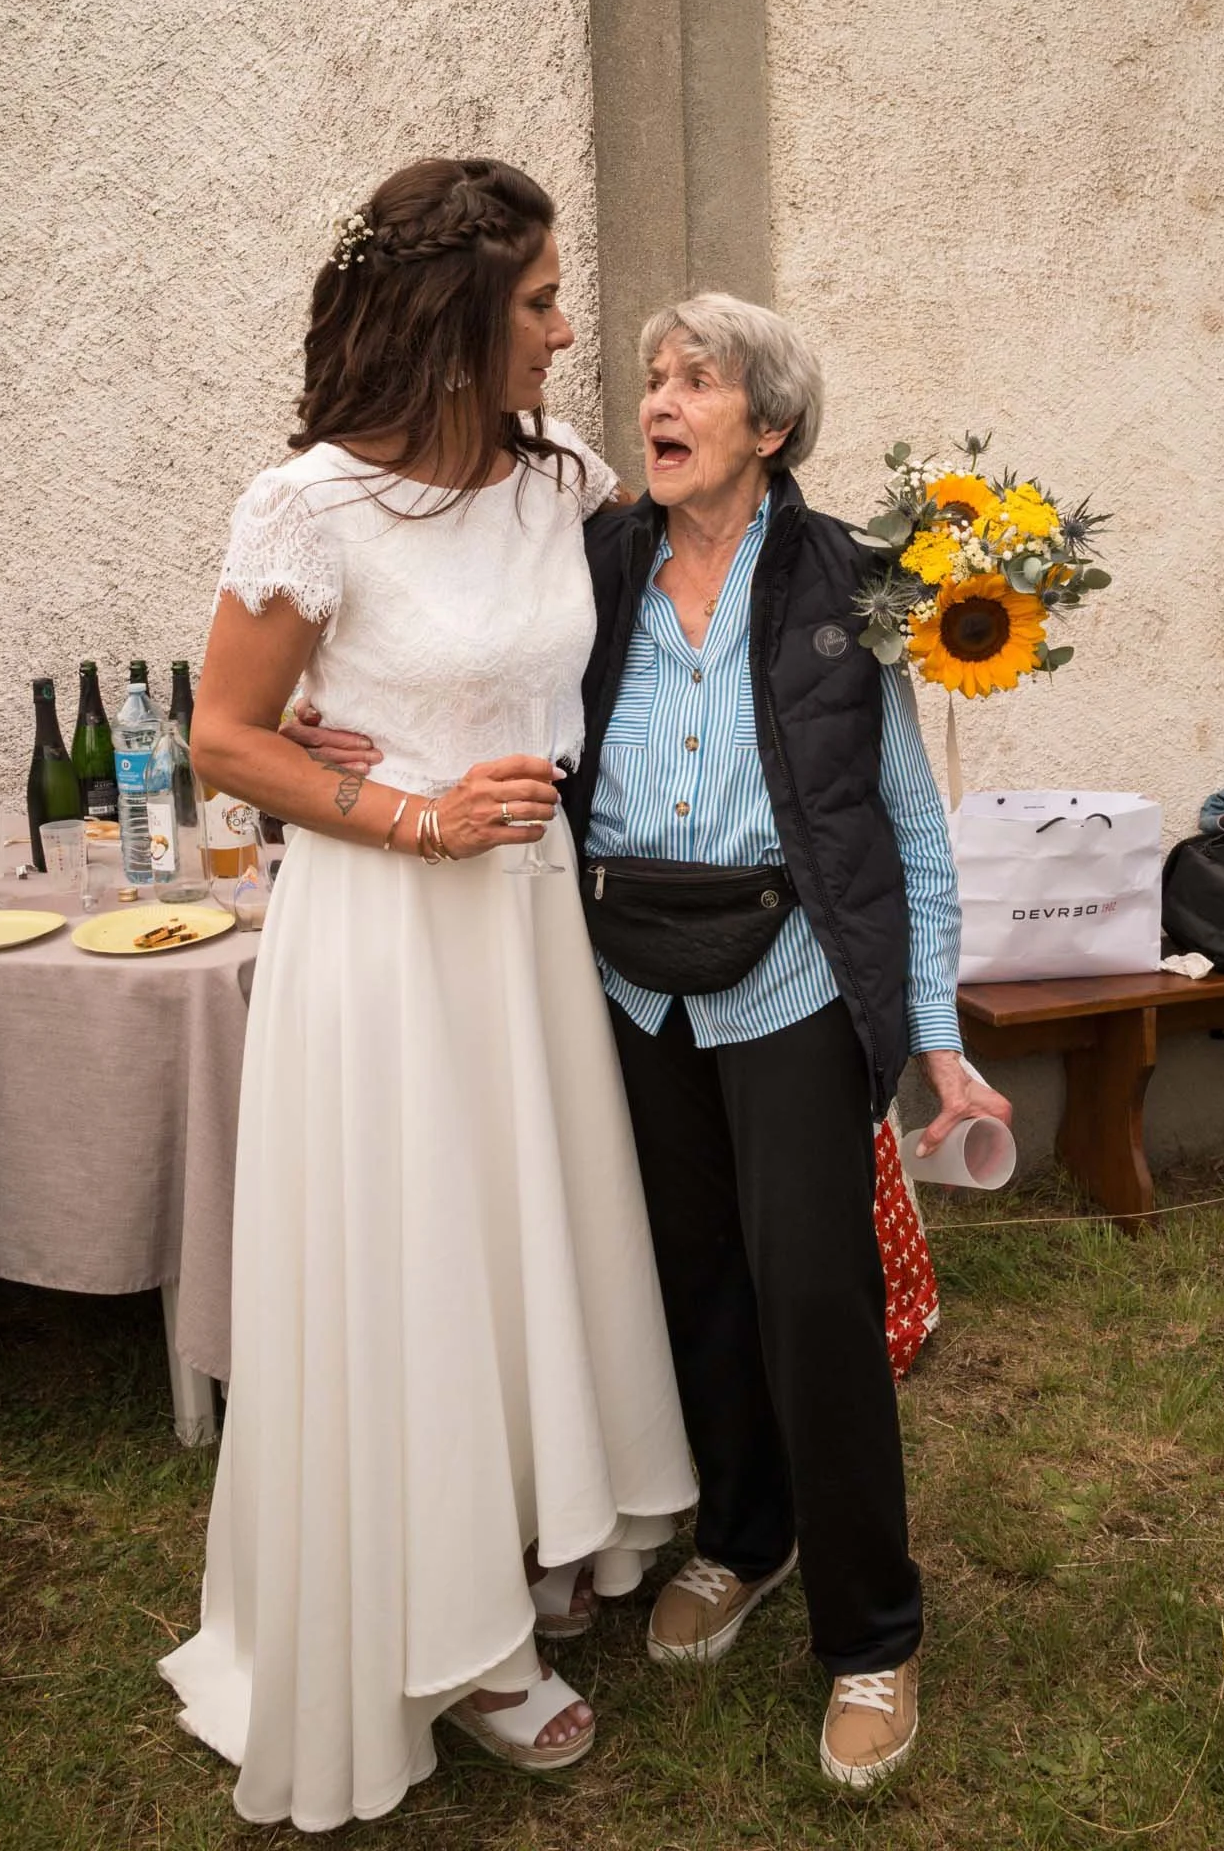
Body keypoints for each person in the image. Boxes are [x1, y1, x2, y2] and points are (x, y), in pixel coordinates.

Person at [288, 291, 1012, 1790]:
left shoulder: (850, 584)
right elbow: (457, 642)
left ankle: (872, 1632)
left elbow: (911, 838)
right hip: (620, 979)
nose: (658, 400)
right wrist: (315, 714)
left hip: (791, 977)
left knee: (814, 1300)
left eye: (699, 380)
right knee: (689, 1287)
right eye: (649, 378)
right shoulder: (589, 557)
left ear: (770, 424)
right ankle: (739, 1539)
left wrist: (935, 1040)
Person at [159, 157, 695, 1831]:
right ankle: (439, 1637)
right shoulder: (304, 505)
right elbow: (223, 738)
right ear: (462, 320)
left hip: (532, 935)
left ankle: (530, 1538)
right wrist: (407, 808)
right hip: (389, 940)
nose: (562, 326)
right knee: (417, 1256)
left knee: (522, 1235)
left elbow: (620, 659)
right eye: (539, 300)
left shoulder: (566, 484)